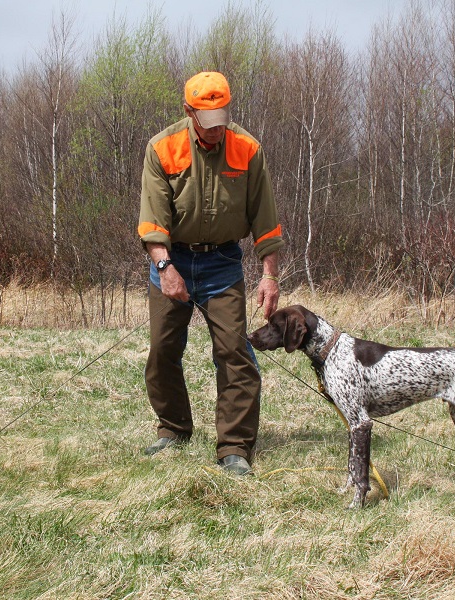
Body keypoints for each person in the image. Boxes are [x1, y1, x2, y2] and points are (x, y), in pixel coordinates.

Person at [137, 71, 284, 475]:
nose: (217, 129)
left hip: (222, 264)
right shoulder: (162, 148)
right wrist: (166, 269)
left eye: (223, 118)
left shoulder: (248, 149)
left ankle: (234, 447)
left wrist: (269, 276)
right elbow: (152, 222)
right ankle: (173, 429)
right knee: (163, 352)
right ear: (188, 111)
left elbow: (266, 223)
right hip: (173, 261)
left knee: (235, 355)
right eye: (208, 120)